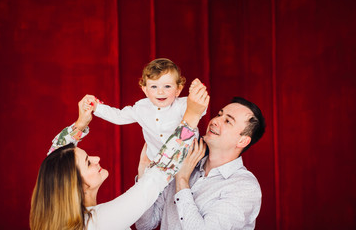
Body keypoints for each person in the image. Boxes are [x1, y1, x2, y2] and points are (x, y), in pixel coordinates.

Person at [29, 80, 210, 230]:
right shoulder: (99, 222)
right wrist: (191, 118)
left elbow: (53, 157)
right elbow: (154, 180)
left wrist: (81, 123)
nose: (96, 159)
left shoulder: (68, 220)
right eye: (88, 162)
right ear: (77, 185)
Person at [135, 97, 266, 230]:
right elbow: (145, 224)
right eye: (219, 115)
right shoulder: (185, 164)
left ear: (242, 141)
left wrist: (182, 180)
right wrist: (144, 175)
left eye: (227, 121)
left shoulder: (244, 187)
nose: (215, 121)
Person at [88, 58, 206, 160]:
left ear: (178, 90)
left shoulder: (182, 104)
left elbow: (199, 110)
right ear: (145, 90)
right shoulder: (141, 108)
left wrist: (196, 93)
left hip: (188, 159)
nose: (160, 91)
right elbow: (118, 117)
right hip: (157, 162)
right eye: (154, 86)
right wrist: (97, 107)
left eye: (167, 86)